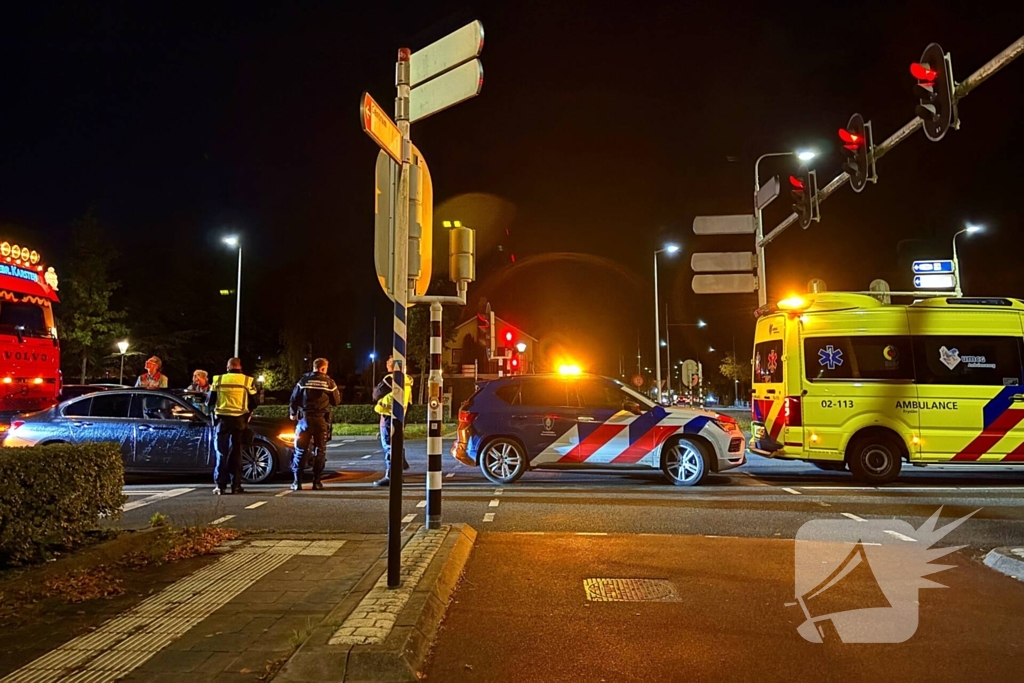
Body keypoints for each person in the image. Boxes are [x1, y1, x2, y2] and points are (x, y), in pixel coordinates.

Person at [289, 358, 341, 491]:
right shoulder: (329, 382)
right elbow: (336, 401)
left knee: (300, 451)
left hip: (304, 420)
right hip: (321, 421)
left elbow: (294, 398)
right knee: (320, 452)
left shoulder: (303, 381)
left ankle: (297, 482)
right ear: (323, 368)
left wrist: (293, 412)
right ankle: (317, 482)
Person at [207, 357, 257, 495]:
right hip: (239, 420)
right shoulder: (247, 380)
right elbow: (254, 402)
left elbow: (209, 401)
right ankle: (236, 485)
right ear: (240, 367)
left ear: (228, 367)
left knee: (221, 452)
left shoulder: (218, 380)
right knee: (237, 453)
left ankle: (220, 486)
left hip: (222, 420)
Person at [372, 355, 413, 487]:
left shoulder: (390, 378)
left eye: (388, 363)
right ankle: (399, 468)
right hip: (400, 416)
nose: (386, 365)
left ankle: (391, 475)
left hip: (388, 416)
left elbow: (376, 394)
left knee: (389, 445)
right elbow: (410, 403)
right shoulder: (407, 380)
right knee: (397, 442)